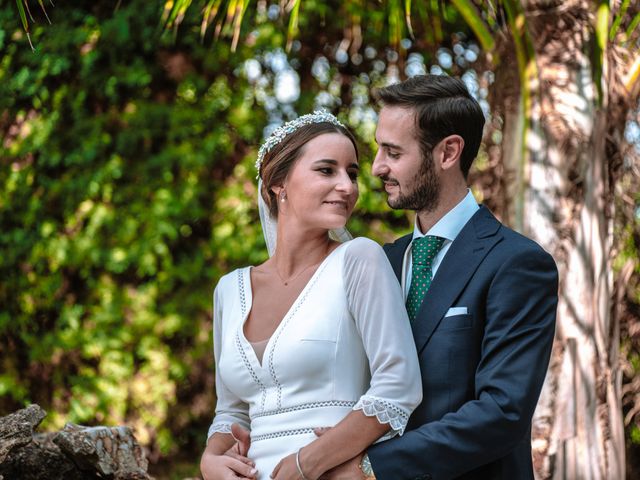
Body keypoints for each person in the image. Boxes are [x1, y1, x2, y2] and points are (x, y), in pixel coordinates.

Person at [319, 75, 559, 479]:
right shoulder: (381, 262)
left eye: (393, 152)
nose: (378, 167)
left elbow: (502, 412)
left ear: (448, 152)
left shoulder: (517, 263)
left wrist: (371, 468)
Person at [199, 111, 422, 480]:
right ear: (278, 184)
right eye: (326, 170)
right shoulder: (229, 290)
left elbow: (398, 385)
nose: (348, 187)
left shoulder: (359, 260)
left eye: (351, 173)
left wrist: (308, 462)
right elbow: (232, 412)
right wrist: (211, 460)